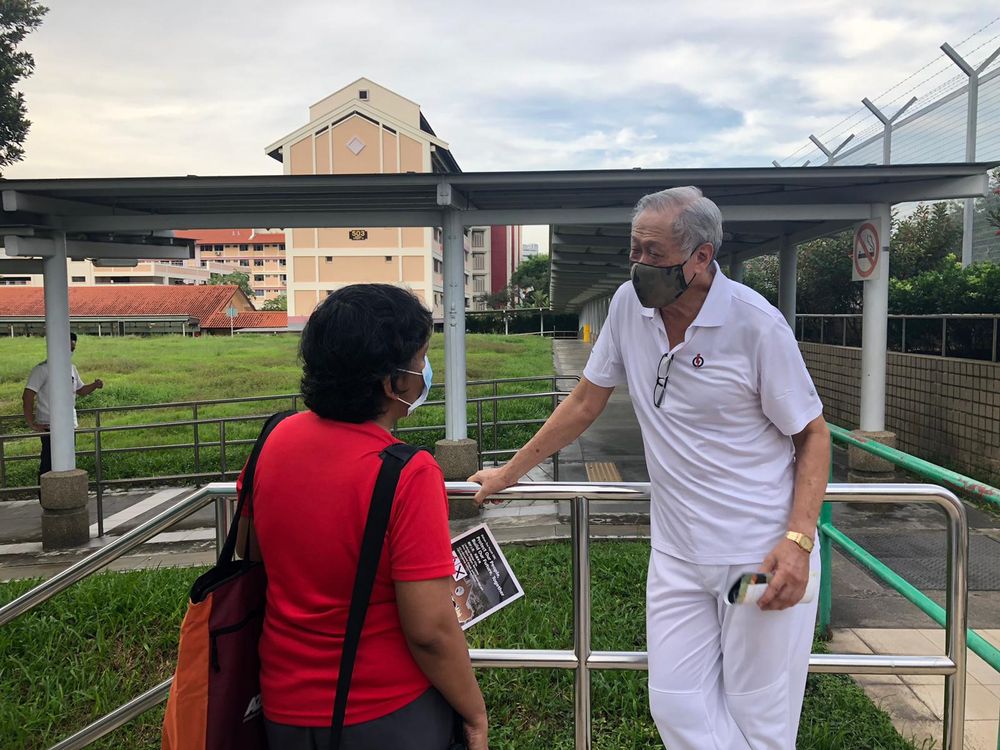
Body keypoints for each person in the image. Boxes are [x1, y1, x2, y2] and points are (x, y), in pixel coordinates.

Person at [471, 186, 830, 749]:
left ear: (701, 257)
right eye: (634, 250)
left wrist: (799, 540)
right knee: (676, 705)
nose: (640, 265)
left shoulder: (755, 325)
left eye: (654, 254)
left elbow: (812, 434)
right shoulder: (627, 306)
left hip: (751, 559)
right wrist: (506, 475)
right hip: (677, 561)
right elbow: (586, 401)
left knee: (757, 711)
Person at [236, 284, 488, 750]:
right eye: (422, 358)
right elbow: (430, 630)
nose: (425, 370)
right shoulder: (407, 472)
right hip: (386, 710)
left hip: (282, 706)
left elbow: (250, 552)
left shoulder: (273, 437)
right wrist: (474, 713)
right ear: (394, 383)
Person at [22, 332, 104, 481]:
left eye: (73, 348)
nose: (70, 351)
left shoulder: (71, 368)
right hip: (49, 425)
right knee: (48, 464)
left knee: (67, 462)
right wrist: (31, 422)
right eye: (68, 347)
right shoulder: (42, 369)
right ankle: (46, 496)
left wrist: (95, 385)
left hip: (69, 424)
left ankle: (64, 495)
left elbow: (80, 390)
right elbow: (28, 395)